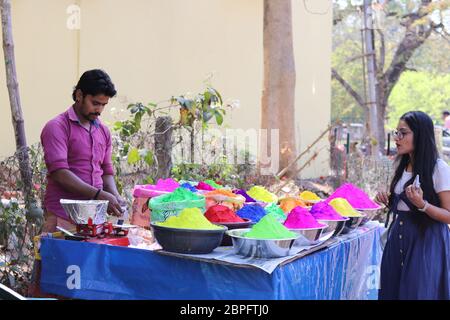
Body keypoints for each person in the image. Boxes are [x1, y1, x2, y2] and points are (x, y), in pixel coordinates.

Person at [375, 111, 450, 300]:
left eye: (403, 133)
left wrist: (423, 205)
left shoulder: (438, 168)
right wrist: (390, 200)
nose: (397, 138)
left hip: (426, 242)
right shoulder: (401, 166)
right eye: (396, 132)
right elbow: (403, 206)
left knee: (418, 293)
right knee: (391, 290)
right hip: (397, 240)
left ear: (420, 134)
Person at [40, 69, 125, 232]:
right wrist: (99, 194)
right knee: (54, 258)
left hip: (95, 219)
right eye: (95, 103)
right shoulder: (57, 127)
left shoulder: (103, 131)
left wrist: (115, 197)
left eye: (103, 105)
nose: (99, 110)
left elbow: (106, 171)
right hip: (61, 218)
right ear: (79, 95)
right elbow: (59, 173)